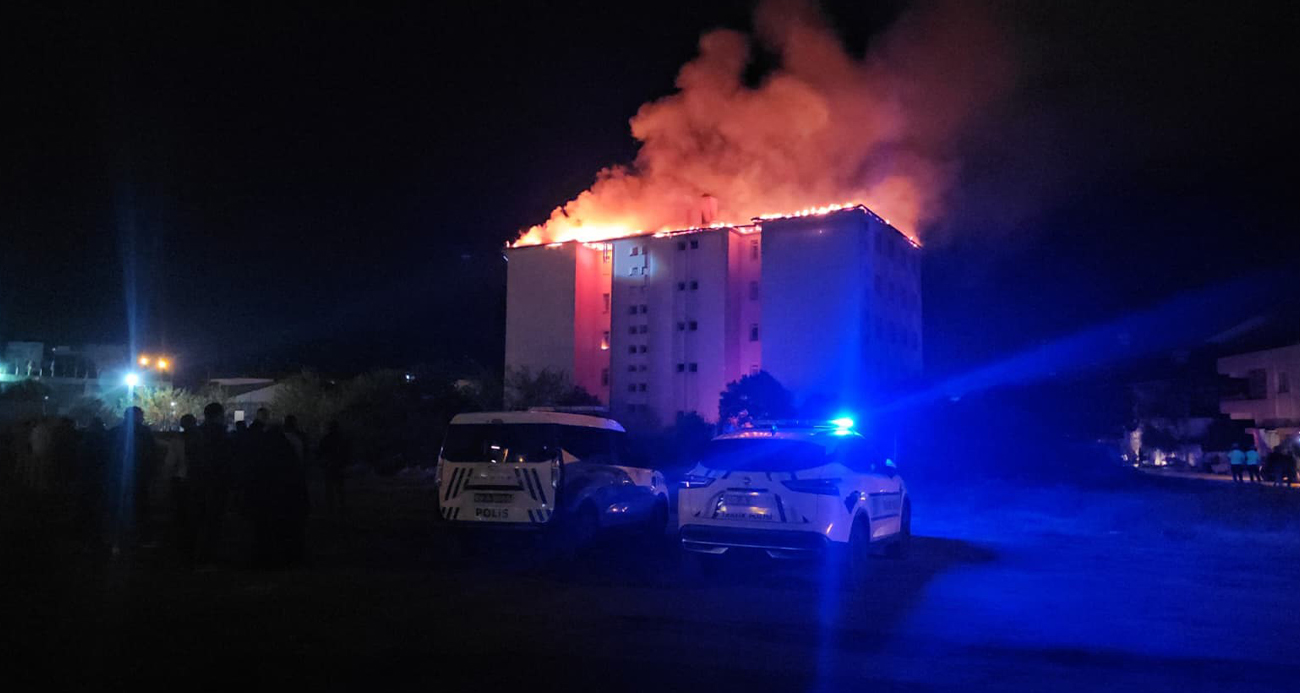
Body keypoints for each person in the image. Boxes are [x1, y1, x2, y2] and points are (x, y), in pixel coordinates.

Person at [107, 407, 160, 555]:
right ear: (137, 417)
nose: (142, 418)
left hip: (118, 475)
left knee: (118, 506)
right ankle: (141, 538)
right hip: (139, 475)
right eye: (141, 416)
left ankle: (116, 539)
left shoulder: (114, 432)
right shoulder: (144, 433)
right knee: (141, 506)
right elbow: (151, 454)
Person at [193, 403, 234, 569]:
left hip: (198, 481)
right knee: (214, 520)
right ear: (219, 415)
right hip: (217, 482)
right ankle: (210, 555)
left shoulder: (197, 433)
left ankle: (197, 554)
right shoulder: (221, 434)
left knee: (200, 519)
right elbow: (228, 459)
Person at [165, 414, 200, 566]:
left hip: (181, 480)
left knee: (180, 514)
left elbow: (170, 462)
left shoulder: (177, 440)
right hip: (198, 480)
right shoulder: (202, 438)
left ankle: (180, 547)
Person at [316, 420, 351, 520]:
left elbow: (320, 452)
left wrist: (322, 462)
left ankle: (331, 508)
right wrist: (346, 463)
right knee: (340, 487)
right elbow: (347, 452)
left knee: (330, 488)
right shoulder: (342, 438)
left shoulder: (326, 438)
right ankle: (341, 507)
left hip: (330, 465)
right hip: (339, 465)